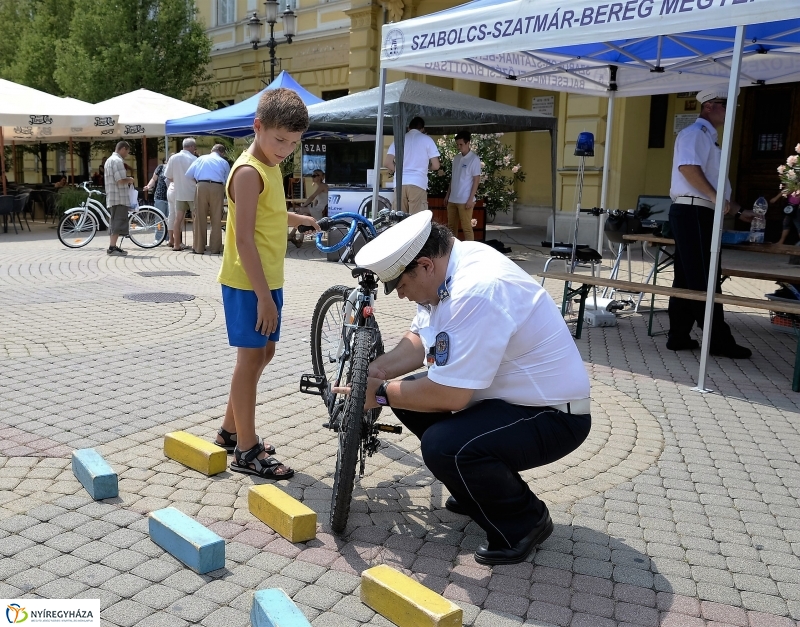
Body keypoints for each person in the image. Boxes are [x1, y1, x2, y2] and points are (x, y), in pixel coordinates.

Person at [338, 211, 591, 565]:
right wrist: (377, 371)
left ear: (424, 266)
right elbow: (421, 337)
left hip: (554, 415)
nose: (400, 296)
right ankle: (475, 490)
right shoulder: (451, 265)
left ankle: (524, 522)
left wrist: (378, 393)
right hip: (513, 402)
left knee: (444, 446)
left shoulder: (477, 290)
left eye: (401, 286)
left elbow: (450, 396)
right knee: (409, 396)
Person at [214, 88, 320, 479]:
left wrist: (301, 219)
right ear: (258, 127)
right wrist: (263, 298)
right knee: (251, 359)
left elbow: (270, 215)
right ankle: (246, 448)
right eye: (279, 140)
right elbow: (243, 238)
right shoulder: (246, 172)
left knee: (265, 354)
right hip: (248, 283)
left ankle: (229, 431)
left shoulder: (271, 166)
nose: (285, 150)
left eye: (293, 144)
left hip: (268, 279)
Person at [666, 86, 751, 359]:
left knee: (687, 277)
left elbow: (715, 186)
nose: (730, 111)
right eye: (726, 105)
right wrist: (715, 197)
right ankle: (717, 340)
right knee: (704, 277)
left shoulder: (709, 138)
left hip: (697, 211)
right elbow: (688, 169)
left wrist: (738, 212)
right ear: (710, 106)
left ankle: (678, 335)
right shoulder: (695, 133)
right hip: (694, 212)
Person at [383, 117, 440, 214]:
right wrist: (427, 167)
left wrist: (400, 170)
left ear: (408, 128)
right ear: (422, 129)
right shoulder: (427, 140)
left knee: (399, 221)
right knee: (416, 221)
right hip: (418, 183)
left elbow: (387, 162)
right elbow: (436, 165)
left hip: (400, 183)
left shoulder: (399, 139)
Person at [185, 144, 231, 255]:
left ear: (212, 150)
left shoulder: (200, 159)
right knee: (216, 219)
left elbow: (188, 175)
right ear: (222, 152)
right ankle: (215, 248)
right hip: (217, 187)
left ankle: (199, 248)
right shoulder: (223, 162)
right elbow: (228, 178)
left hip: (201, 185)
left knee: (200, 217)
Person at [444, 131, 482, 241]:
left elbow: (476, 180)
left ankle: (471, 253)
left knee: (467, 228)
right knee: (451, 228)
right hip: (452, 199)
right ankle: (452, 252)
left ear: (468, 143)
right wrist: (447, 195)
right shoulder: (456, 158)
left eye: (461, 144)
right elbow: (453, 177)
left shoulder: (474, 159)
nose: (459, 147)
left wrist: (471, 199)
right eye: (457, 144)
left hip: (465, 200)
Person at [164, 138, 198, 252]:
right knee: (195, 218)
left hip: (179, 192)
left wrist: (179, 179)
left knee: (177, 219)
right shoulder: (194, 159)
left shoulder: (173, 158)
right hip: (192, 192)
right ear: (192, 147)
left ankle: (176, 244)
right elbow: (197, 176)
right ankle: (195, 245)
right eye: (194, 148)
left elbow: (168, 176)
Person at [103, 141, 135, 257]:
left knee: (114, 221)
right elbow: (120, 180)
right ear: (123, 149)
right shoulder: (117, 161)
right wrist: (130, 179)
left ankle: (113, 246)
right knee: (118, 222)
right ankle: (112, 247)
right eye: (127, 151)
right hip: (119, 197)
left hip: (113, 197)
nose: (127, 154)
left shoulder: (109, 160)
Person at [288, 169, 328, 247]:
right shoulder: (319, 187)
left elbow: (312, 197)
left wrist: (303, 206)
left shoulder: (323, 186)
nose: (313, 177)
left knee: (301, 211)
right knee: (305, 215)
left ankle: (292, 234)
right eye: (312, 175)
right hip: (317, 210)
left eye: (315, 175)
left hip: (320, 211)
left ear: (320, 177)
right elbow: (315, 201)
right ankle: (300, 239)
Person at [145, 158, 171, 246]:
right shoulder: (160, 167)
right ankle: (158, 238)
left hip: (171, 197)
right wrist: (148, 186)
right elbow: (153, 179)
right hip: (160, 196)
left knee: (168, 219)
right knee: (159, 219)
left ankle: (168, 238)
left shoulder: (174, 169)